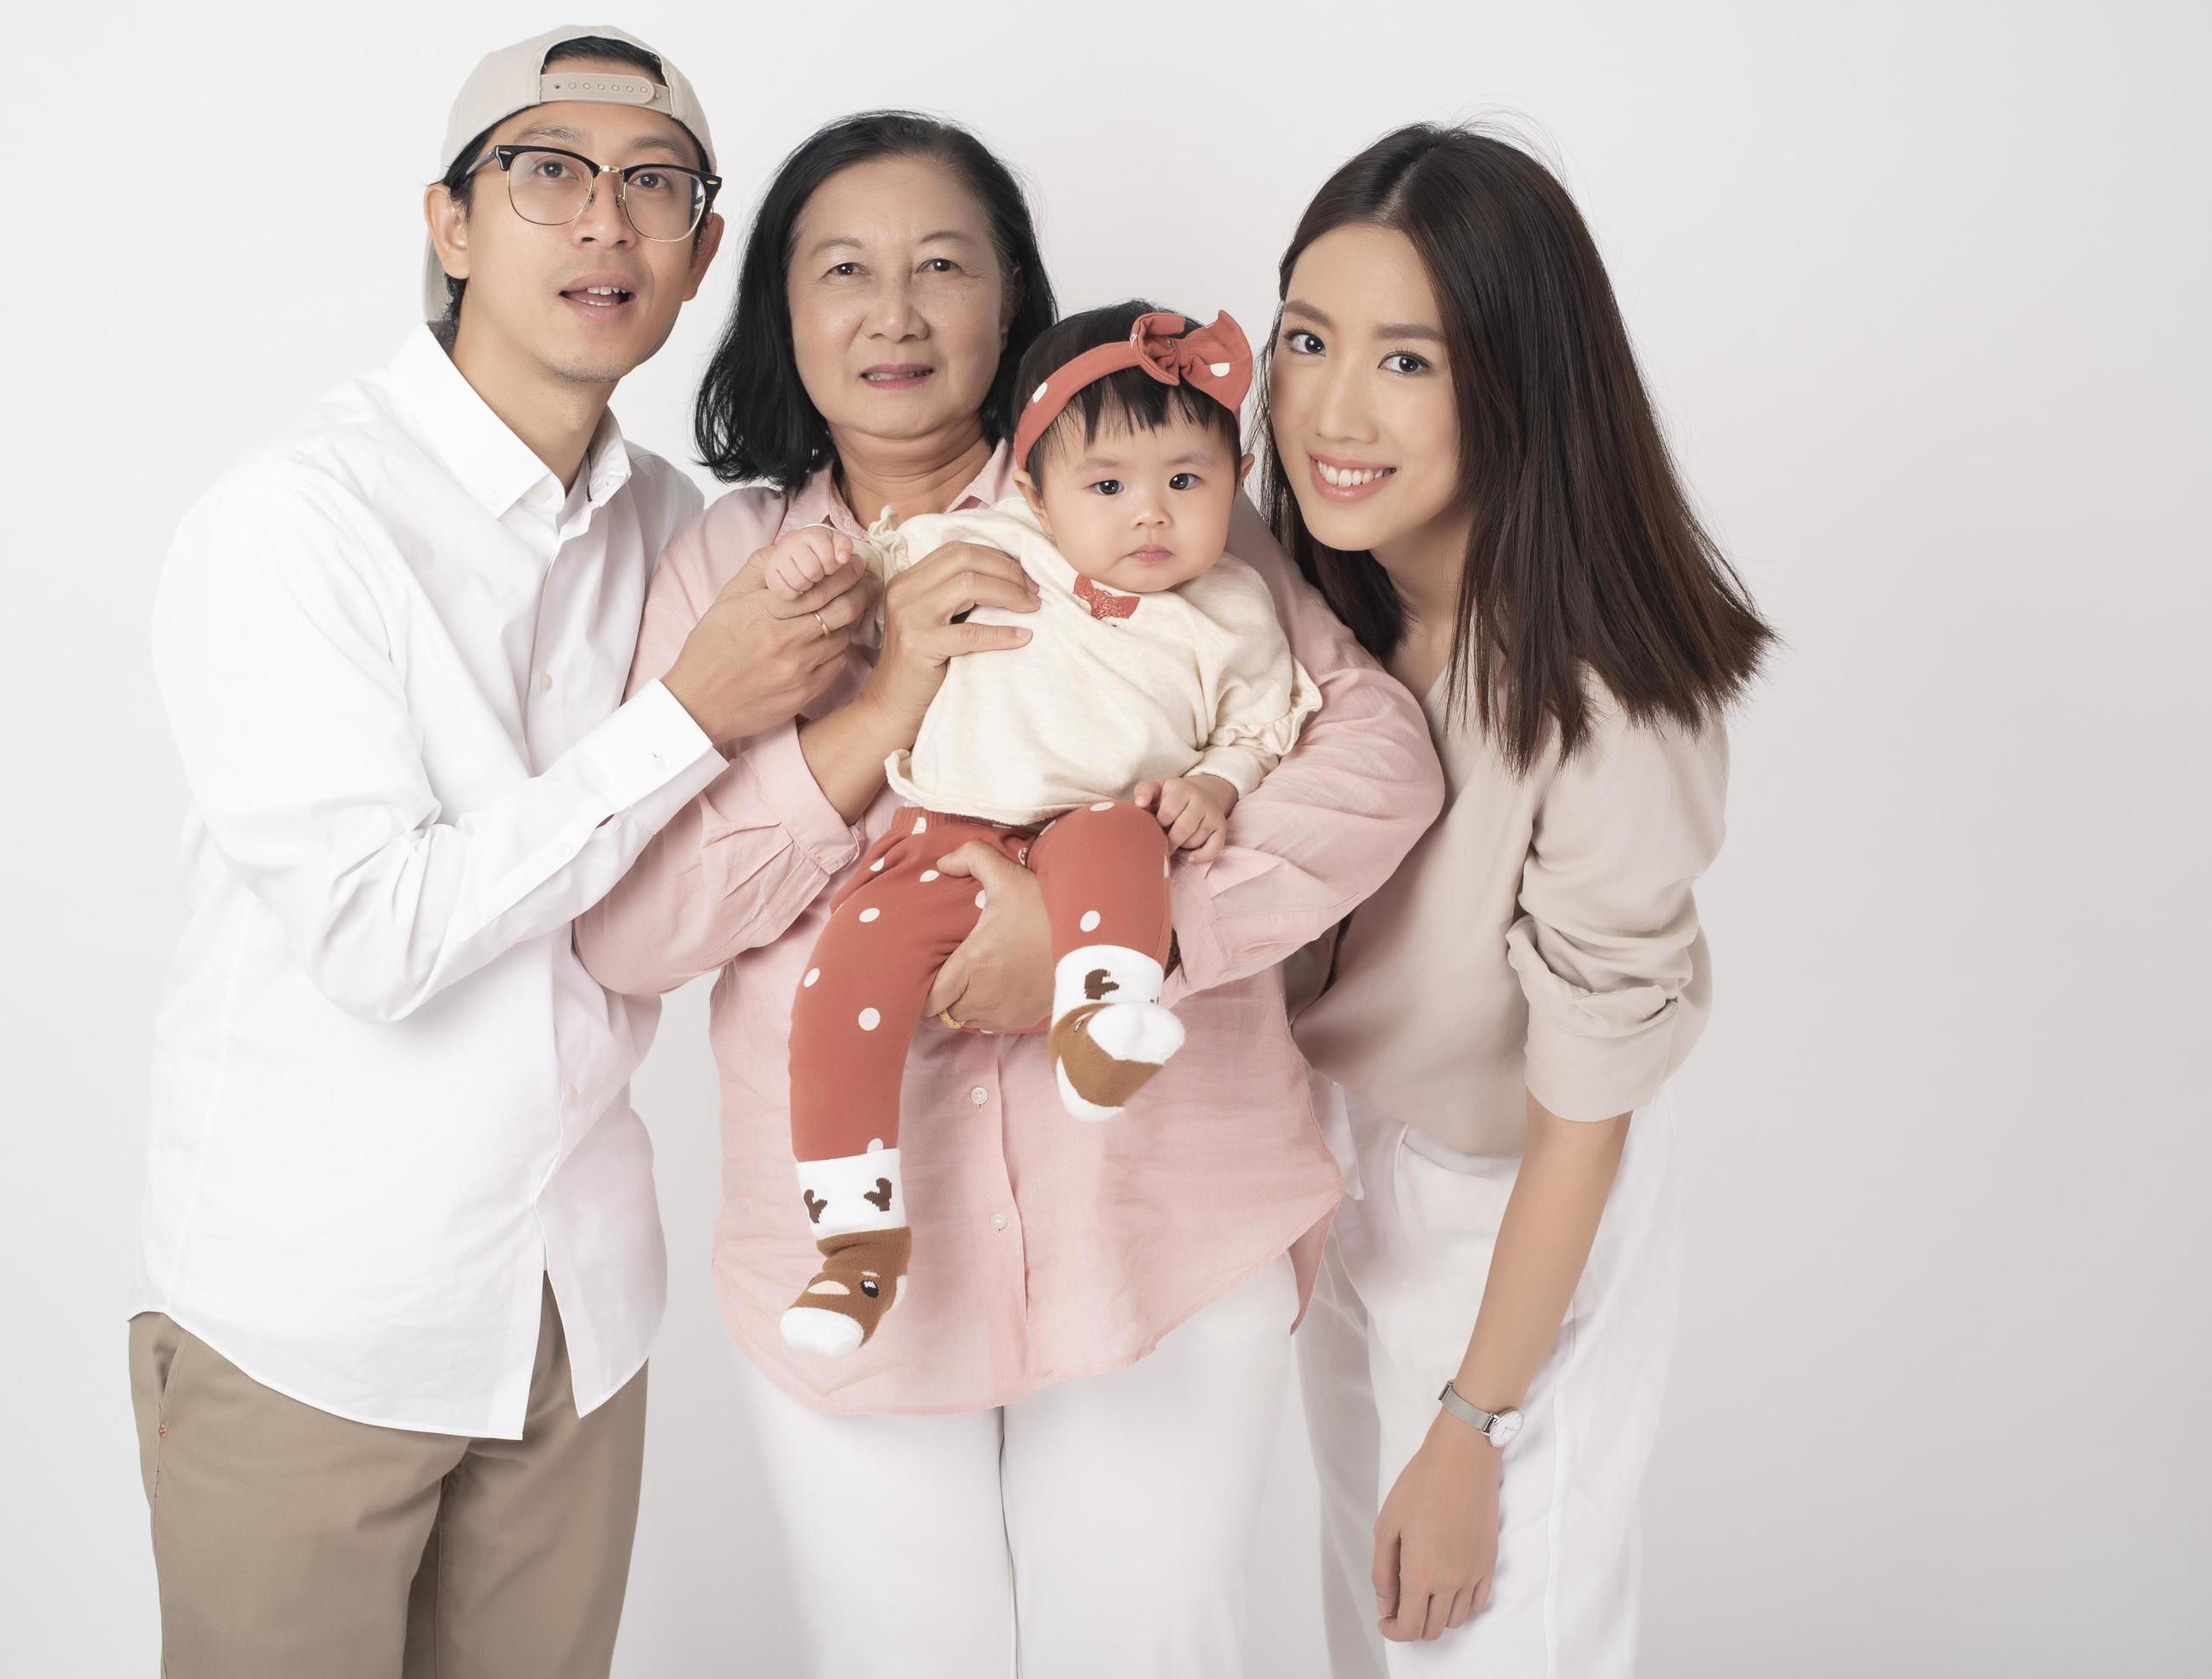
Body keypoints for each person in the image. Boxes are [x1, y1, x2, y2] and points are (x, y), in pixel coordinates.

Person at [577, 111, 1441, 1676]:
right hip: (849, 1250)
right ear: (782, 310)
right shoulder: (731, 567)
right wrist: (872, 712)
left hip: (1163, 1217)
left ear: (1012, 301)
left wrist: (1129, 938)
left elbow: (1377, 760)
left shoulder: (1147, 500)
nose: (893, 311)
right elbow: (635, 925)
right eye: (842, 269)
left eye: (942, 265)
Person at [127, 28, 877, 1676]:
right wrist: (688, 713)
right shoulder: (293, 523)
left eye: (655, 184)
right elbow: (376, 933)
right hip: (313, 1327)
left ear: (697, 253)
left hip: (578, 1313)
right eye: (549, 171)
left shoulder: (686, 531)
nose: (604, 221)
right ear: (450, 223)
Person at [1270, 125, 1776, 1676]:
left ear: (1520, 379)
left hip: (1517, 1195)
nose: (1332, 412)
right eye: (1306, 339)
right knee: (1379, 1634)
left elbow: (1584, 1116)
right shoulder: (1320, 596)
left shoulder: (1608, 696)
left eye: (1407, 361)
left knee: (1490, 1633)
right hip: (1339, 1165)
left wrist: (1474, 1426)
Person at [768, 301, 1322, 1355]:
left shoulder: (1238, 606)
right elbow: (871, 576)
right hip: (943, 834)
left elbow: (1260, 721)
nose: (1149, 515)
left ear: (1235, 482)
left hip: (1097, 831)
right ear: (1036, 491)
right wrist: (813, 572)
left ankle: (1100, 1028)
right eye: (1107, 486)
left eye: (1187, 482)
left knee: (1125, 837)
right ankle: (854, 1241)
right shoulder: (982, 540)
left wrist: (1217, 781)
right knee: (843, 982)